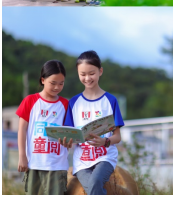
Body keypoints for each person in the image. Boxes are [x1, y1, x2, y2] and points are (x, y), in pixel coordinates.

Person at [60, 50, 124, 195]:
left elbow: (118, 137)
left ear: (100, 71)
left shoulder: (110, 100)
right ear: (77, 74)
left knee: (95, 183)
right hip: (82, 161)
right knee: (92, 188)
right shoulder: (74, 102)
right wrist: (67, 141)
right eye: (82, 74)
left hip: (105, 157)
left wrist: (104, 141)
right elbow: (71, 135)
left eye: (91, 73)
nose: (87, 78)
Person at [16, 60, 69, 195]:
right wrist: (22, 156)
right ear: (43, 80)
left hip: (57, 166)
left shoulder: (65, 104)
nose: (57, 87)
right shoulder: (30, 101)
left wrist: (69, 141)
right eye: (53, 83)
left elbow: (69, 132)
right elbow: (22, 129)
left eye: (61, 83)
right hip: (34, 163)